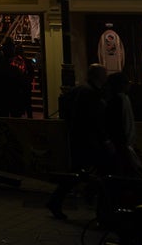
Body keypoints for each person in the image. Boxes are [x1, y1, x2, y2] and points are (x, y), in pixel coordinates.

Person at [47, 64, 113, 220]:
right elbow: (94, 120)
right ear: (98, 76)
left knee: (78, 173)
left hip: (81, 139)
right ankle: (98, 206)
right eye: (104, 74)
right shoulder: (90, 94)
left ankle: (60, 200)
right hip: (88, 140)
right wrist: (104, 139)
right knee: (93, 172)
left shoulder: (84, 91)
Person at [104, 71, 141, 177]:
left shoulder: (114, 100)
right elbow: (122, 124)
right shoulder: (122, 99)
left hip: (121, 144)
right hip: (123, 144)